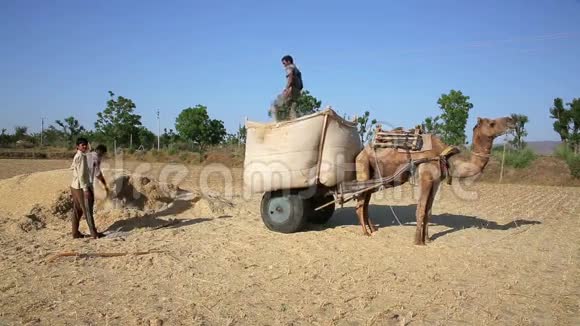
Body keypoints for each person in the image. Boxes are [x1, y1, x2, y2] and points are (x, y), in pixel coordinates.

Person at [69, 138, 103, 239]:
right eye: (82, 145)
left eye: (85, 145)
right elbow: (82, 175)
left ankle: (75, 233)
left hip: (74, 186)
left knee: (77, 210)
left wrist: (89, 148)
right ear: (77, 146)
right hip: (80, 187)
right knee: (87, 210)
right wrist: (85, 189)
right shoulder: (81, 157)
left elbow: (72, 167)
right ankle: (94, 234)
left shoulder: (78, 155)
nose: (85, 146)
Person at [271, 55, 303, 121]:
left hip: (291, 90)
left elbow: (290, 77)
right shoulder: (297, 69)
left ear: (288, 61)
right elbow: (301, 85)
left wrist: (286, 88)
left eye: (284, 63)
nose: (284, 65)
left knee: (274, 104)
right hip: (298, 92)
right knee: (291, 108)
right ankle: (292, 120)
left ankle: (276, 123)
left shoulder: (289, 67)